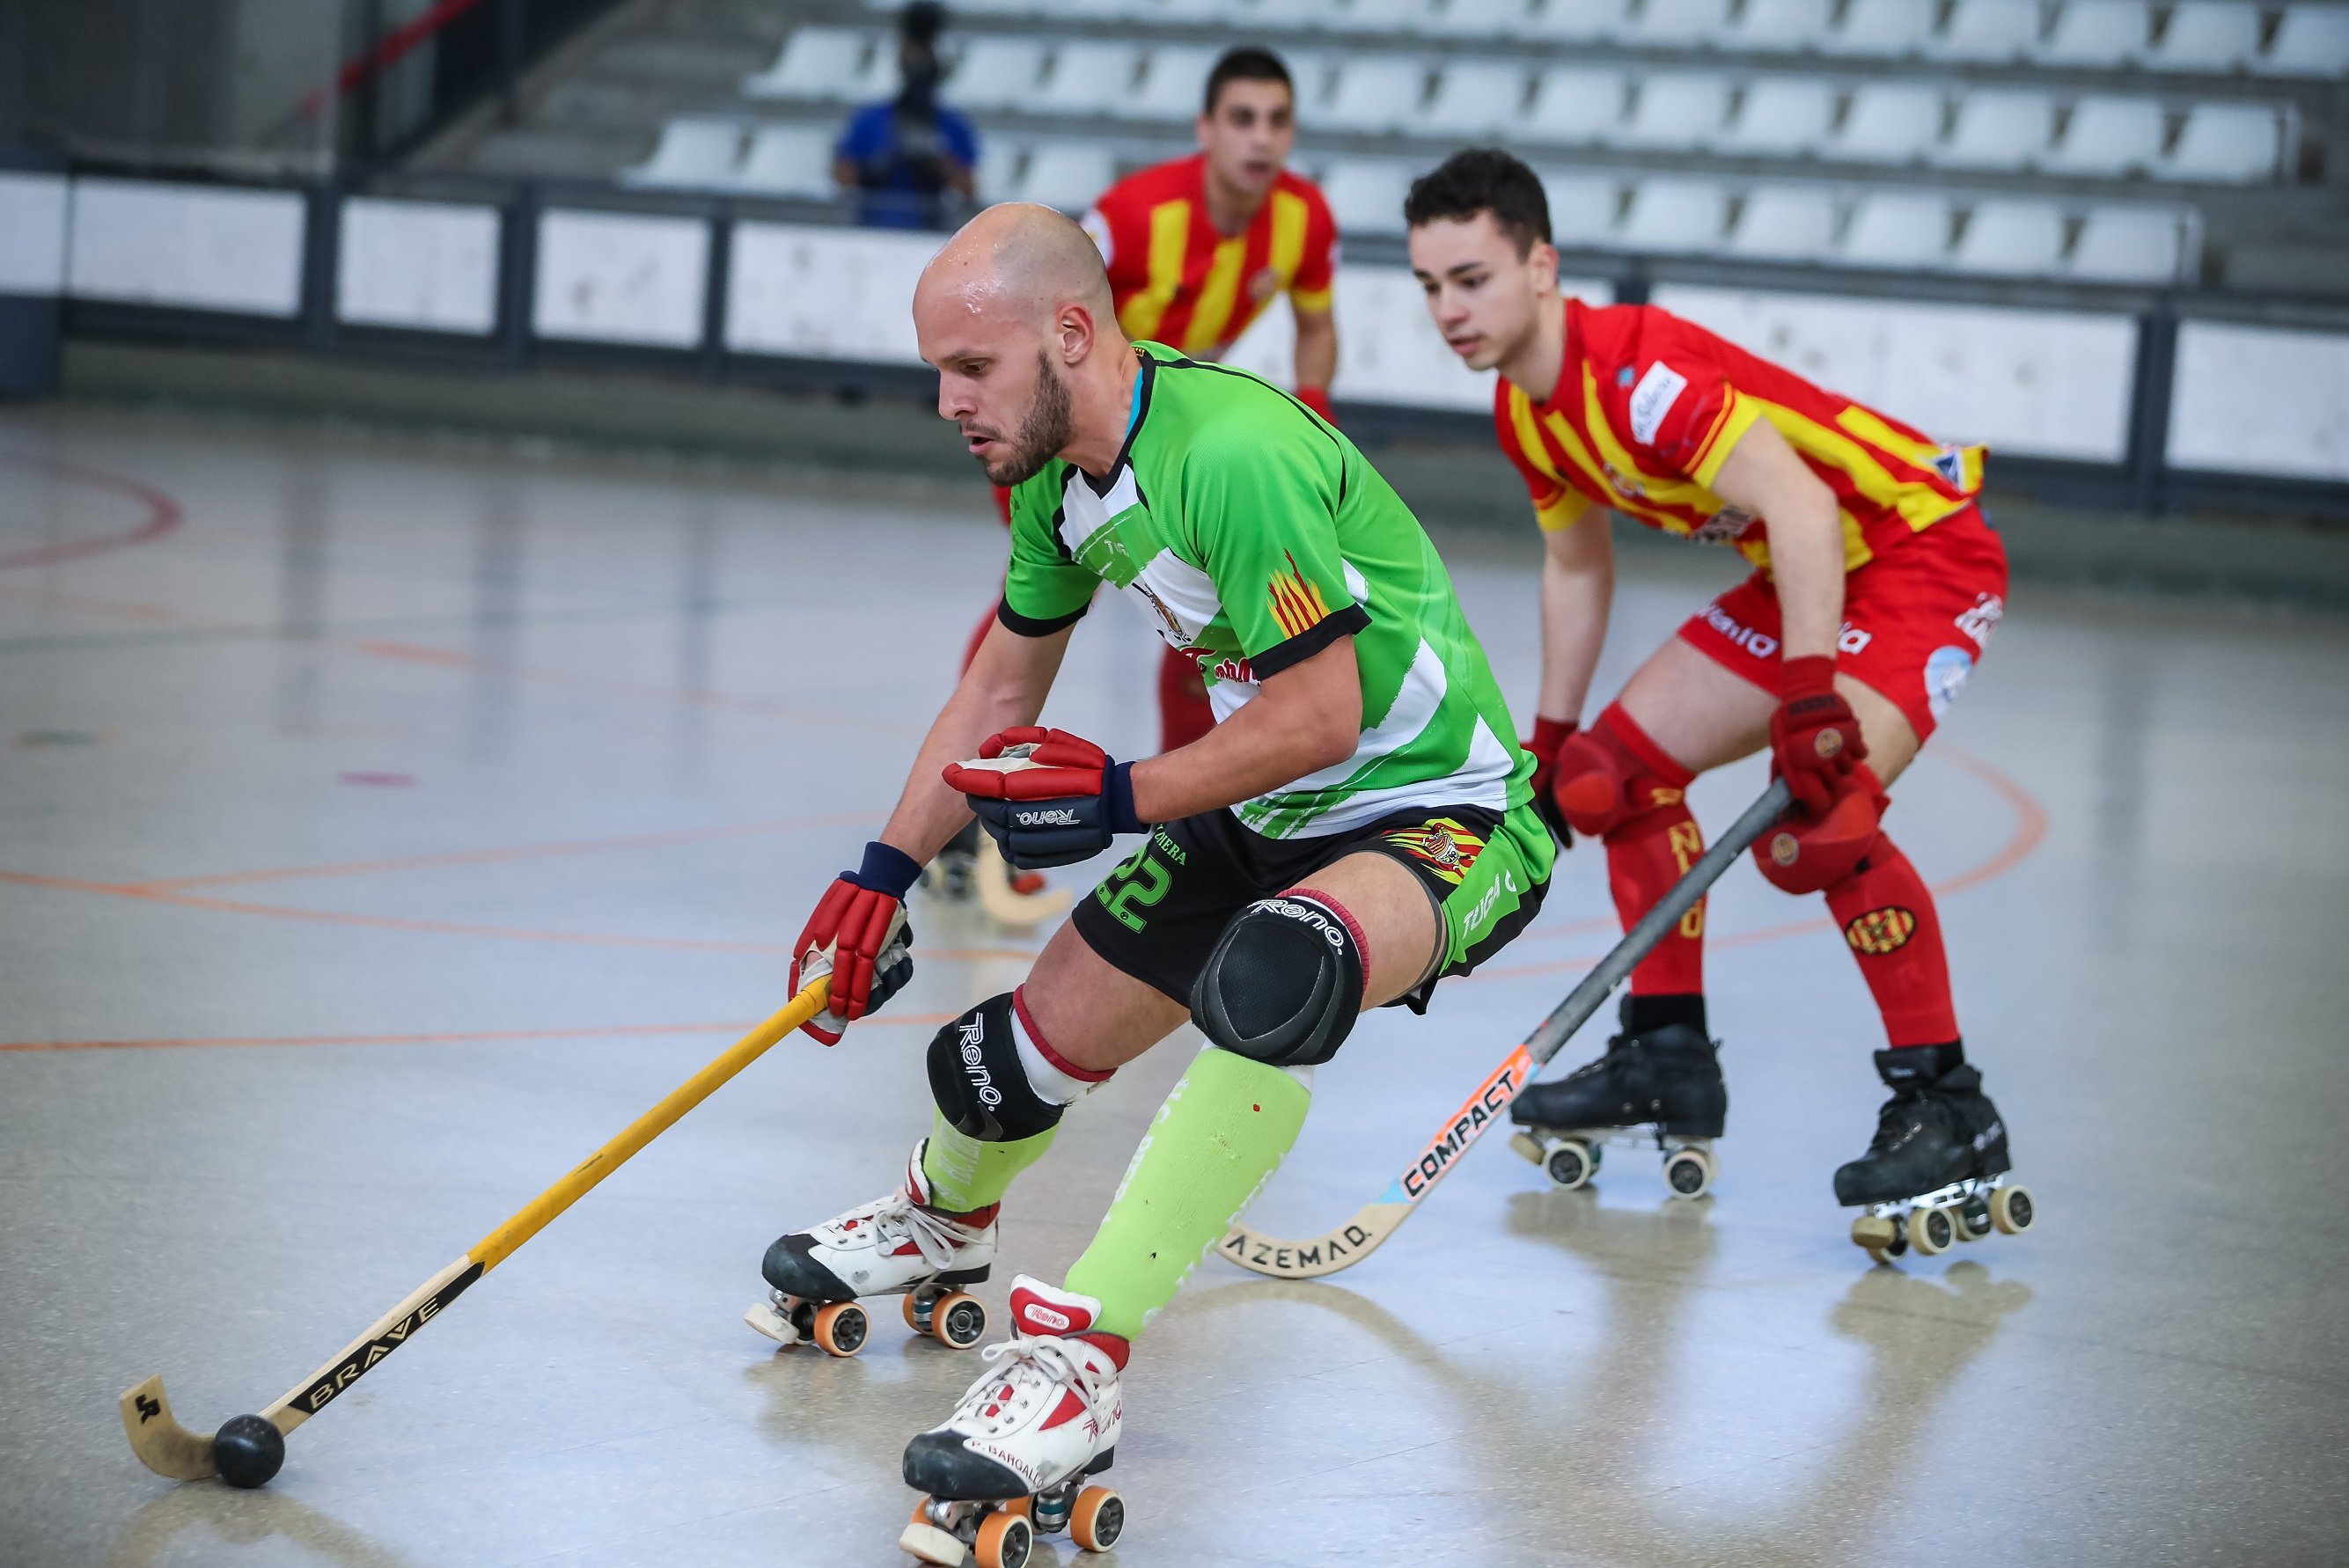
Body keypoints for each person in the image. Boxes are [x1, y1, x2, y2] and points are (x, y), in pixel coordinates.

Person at [755, 204, 1552, 1547]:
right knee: (992, 1068)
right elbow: (1001, 681)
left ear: (1070, 330)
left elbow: (1321, 719)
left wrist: (1117, 795)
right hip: (1267, 804)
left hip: (1437, 811)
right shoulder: (1054, 483)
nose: (948, 402)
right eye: (937, 372)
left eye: (972, 367)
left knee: (1276, 976)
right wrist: (885, 869)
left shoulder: (1229, 454)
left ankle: (1079, 1360)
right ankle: (942, 1222)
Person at [1401, 150, 2019, 1249]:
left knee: (1818, 818)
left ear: (1541, 267)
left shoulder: (1642, 379)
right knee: (1606, 778)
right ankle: (1665, 1055)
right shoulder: (1526, 413)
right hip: (1808, 566)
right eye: (1430, 287)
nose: (1449, 310)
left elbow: (1801, 507)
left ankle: (1946, 1102)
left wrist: (1804, 691)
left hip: (1916, 553)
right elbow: (1577, 568)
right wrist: (1550, 739)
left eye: (1472, 279)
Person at [834, 2, 977, 231]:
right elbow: (842, 178)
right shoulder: (870, 119)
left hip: (928, 235)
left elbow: (968, 191)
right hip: (871, 232)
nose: (918, 62)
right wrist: (877, 166)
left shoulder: (953, 125)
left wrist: (937, 165)